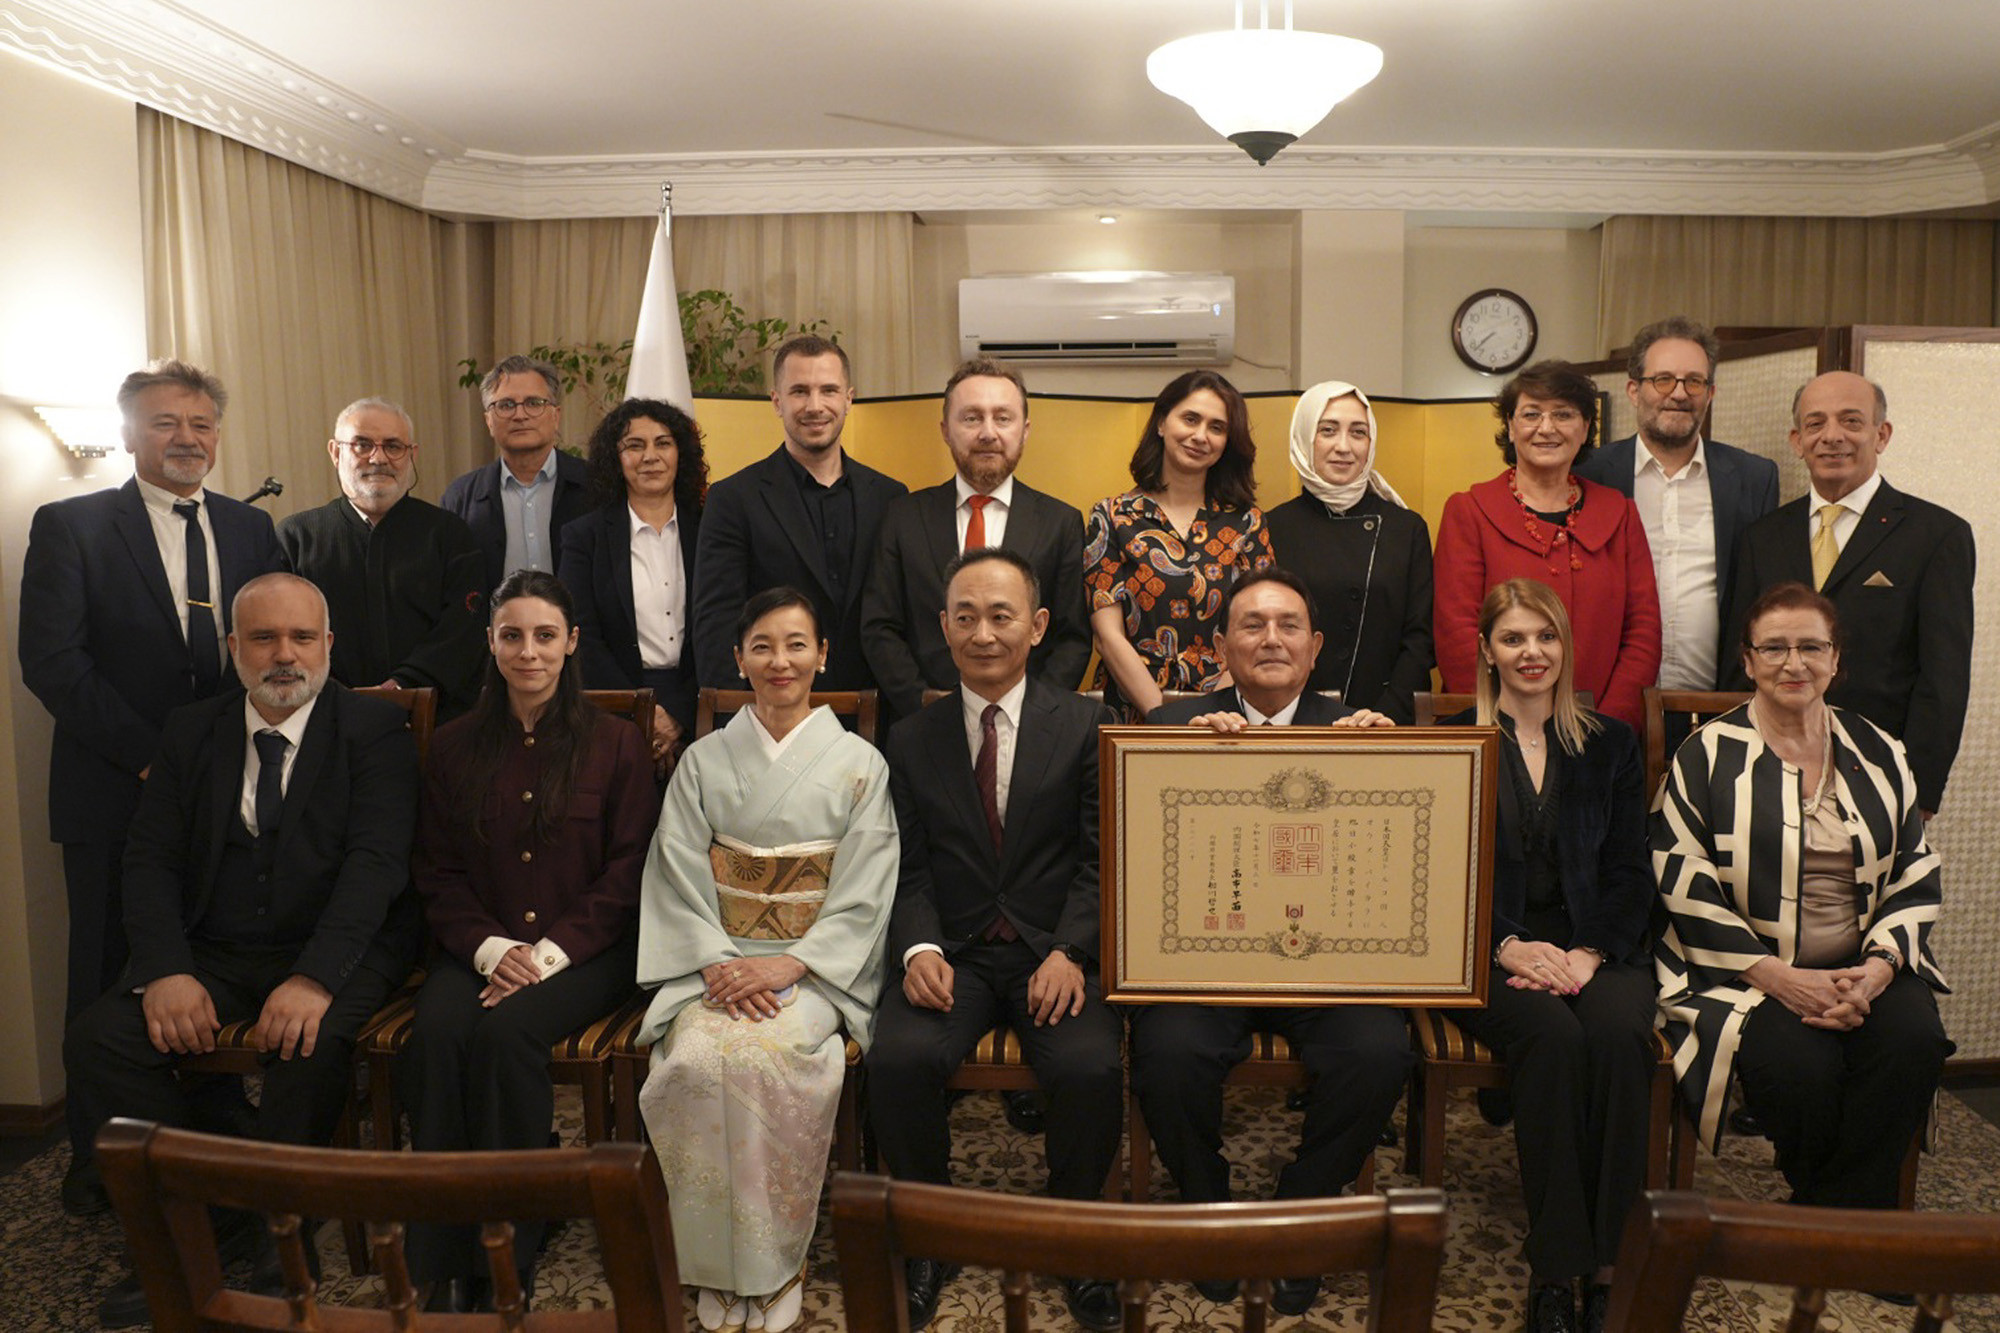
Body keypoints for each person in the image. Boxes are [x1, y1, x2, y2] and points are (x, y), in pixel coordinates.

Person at [61, 573, 422, 1327]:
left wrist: (315, 978)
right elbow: (148, 857)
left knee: (304, 1041)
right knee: (101, 1040)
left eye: (300, 637)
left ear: (329, 645)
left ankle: (278, 1238)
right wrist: (165, 970)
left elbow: (376, 865)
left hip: (337, 947)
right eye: (263, 637)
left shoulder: (373, 731)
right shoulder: (191, 729)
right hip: (214, 946)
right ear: (233, 648)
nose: (283, 654)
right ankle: (192, 1224)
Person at [20, 359, 284, 1212]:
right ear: (129, 431)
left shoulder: (251, 530)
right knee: (107, 972)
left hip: (228, 794)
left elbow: (272, 650)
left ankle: (201, 1135)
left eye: (202, 424)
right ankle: (103, 1166)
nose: (187, 439)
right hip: (114, 788)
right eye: (167, 423)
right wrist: (150, 757)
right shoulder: (73, 525)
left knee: (198, 959)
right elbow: (53, 662)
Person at [1136, 568, 1405, 1320]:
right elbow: (1135, 859)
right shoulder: (1167, 726)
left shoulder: (1360, 729)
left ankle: (1301, 1208)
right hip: (1208, 964)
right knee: (1166, 1049)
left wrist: (1390, 765)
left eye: (1288, 625)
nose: (1271, 638)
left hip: (1322, 967)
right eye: (1251, 625)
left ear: (1315, 647)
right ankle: (1210, 1209)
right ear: (1221, 646)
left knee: (1380, 1050)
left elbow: (1390, 867)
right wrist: (1176, 765)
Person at [868, 548, 1125, 1333]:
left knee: (1090, 1066)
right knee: (899, 1057)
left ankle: (1077, 1237)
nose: (984, 633)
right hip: (956, 949)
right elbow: (904, 864)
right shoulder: (911, 737)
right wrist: (918, 949)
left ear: (1039, 625)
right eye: (966, 616)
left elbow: (1099, 857)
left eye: (1002, 615)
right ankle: (927, 1236)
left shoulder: (1086, 723)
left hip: (1052, 948)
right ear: (943, 627)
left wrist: (1071, 951)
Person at [634, 587, 897, 1333]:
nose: (780, 661)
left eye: (795, 644)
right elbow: (677, 869)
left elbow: (866, 884)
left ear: (823, 654)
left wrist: (794, 964)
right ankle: (717, 1265)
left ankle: (776, 1260)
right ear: (739, 658)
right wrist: (718, 961)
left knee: (767, 1057)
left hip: (811, 967)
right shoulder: (702, 760)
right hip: (715, 960)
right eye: (762, 646)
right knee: (694, 1059)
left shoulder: (860, 763)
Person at [397, 570, 658, 1313]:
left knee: (508, 1035)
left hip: (587, 954)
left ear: (572, 642)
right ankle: (440, 1256)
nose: (529, 651)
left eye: (546, 635)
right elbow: (437, 870)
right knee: (439, 1031)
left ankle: (508, 1244)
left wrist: (544, 957)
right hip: (476, 948)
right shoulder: (451, 746)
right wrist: (490, 949)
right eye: (512, 634)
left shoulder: (617, 744)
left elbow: (630, 869)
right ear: (491, 642)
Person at [1656, 581, 1951, 1213]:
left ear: (1836, 659)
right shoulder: (1705, 754)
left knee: (1913, 1043)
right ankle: (1854, 1224)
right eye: (1775, 648)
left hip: (1865, 966)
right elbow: (1680, 876)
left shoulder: (1880, 750)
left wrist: (1876, 972)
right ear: (1748, 660)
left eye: (1811, 647)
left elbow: (1914, 870)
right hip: (1748, 973)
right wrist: (1779, 977)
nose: (1794, 664)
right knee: (1798, 1071)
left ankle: (1824, 1219)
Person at [1444, 578, 1657, 1333]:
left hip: (1596, 945)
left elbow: (1632, 871)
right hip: (1483, 949)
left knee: (1620, 1035)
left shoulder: (1611, 743)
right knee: (1554, 1039)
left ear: (1565, 647)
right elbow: (1436, 876)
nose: (1531, 652)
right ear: (1487, 652)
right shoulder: (1459, 744)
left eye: (1545, 637)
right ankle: (1557, 1269)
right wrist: (1506, 942)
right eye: (1513, 638)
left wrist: (1589, 952)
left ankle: (1610, 1266)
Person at [1720, 371, 1974, 814]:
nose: (1832, 436)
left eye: (1851, 421)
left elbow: (1944, 681)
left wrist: (1920, 790)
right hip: (1763, 771)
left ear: (1882, 434)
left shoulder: (1936, 536)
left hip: (1879, 772)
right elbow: (1736, 661)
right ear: (1797, 440)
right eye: (1816, 424)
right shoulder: (1762, 537)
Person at [1433, 359, 1661, 732]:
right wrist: (1499, 724)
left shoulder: (1620, 513)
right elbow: (1457, 636)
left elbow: (1644, 632)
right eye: (1531, 414)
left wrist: (1605, 726)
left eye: (1563, 415)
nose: (1546, 428)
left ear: (1586, 427)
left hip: (1600, 731)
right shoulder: (1469, 511)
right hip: (1495, 731)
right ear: (1510, 425)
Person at [861, 358, 1091, 721]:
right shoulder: (902, 517)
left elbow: (1072, 638)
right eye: (971, 418)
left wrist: (1031, 714)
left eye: (1003, 418)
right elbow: (880, 628)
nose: (988, 432)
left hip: (1030, 730)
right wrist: (925, 706)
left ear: (1025, 430)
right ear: (945, 430)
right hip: (923, 725)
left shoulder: (1060, 523)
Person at [691, 335, 908, 695]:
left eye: (828, 390)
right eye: (799, 391)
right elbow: (716, 625)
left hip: (873, 715)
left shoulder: (890, 497)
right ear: (776, 402)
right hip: (769, 713)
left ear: (849, 398)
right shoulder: (732, 499)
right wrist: (740, 717)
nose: (815, 405)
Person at [1573, 317, 1778, 691]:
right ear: (1634, 390)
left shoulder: (1754, 478)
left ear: (1710, 393)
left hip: (1717, 703)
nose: (1679, 394)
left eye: (1694, 381)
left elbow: (1762, 597)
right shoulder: (1589, 474)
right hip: (1611, 701)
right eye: (1663, 379)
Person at [277, 396, 487, 716]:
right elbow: (282, 632)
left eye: (393, 446)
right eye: (362, 444)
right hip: (323, 715)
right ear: (335, 452)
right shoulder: (296, 537)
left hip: (436, 719)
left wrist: (400, 688)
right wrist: (338, 696)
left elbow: (463, 630)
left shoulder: (450, 534)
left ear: (412, 455)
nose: (379, 458)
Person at [1084, 369, 1274, 719]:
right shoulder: (1111, 517)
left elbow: (1259, 629)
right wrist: (1163, 718)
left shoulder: (1248, 523)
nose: (1201, 436)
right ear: (1161, 423)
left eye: (1216, 428)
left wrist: (1214, 711)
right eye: (1190, 419)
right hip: (1133, 709)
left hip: (1227, 716)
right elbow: (1107, 637)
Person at [1264, 380, 1433, 721]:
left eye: (1358, 433)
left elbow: (1420, 638)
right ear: (1304, 438)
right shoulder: (1270, 526)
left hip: (1383, 719)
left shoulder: (1406, 528)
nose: (1344, 447)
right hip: (1290, 718)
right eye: (1328, 430)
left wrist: (1384, 714)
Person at [558, 397, 707, 758]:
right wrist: (641, 713)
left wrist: (679, 714)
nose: (650, 457)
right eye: (634, 446)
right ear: (615, 458)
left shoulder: (711, 528)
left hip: (700, 703)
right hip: (611, 706)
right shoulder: (584, 536)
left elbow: (724, 626)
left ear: (680, 454)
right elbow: (582, 633)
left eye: (663, 443)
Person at [441, 354, 593, 592]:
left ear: (556, 416)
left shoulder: (595, 484)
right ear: (489, 421)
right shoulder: (461, 497)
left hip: (580, 628)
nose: (520, 415)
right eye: (506, 405)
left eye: (534, 403)